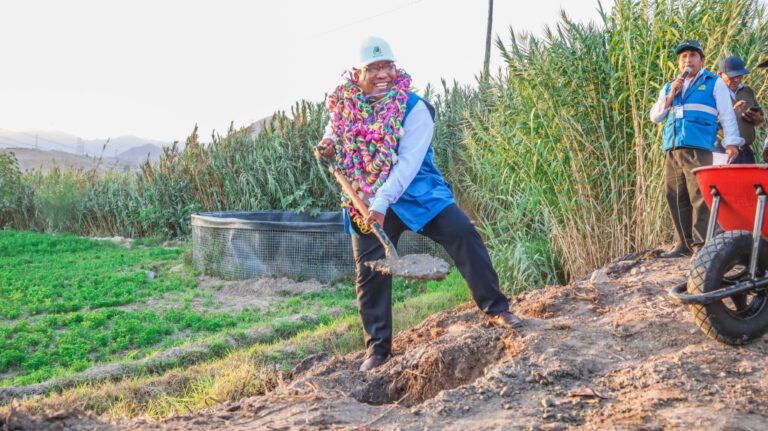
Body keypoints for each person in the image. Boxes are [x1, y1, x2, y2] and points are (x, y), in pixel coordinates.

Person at [316, 36, 523, 372]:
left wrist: (382, 203)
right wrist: (328, 142)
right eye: (374, 67)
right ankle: (378, 349)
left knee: (462, 233)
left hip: (416, 192)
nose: (383, 73)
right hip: (364, 197)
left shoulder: (415, 109)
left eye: (388, 66)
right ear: (357, 74)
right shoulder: (345, 105)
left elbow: (407, 164)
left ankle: (497, 309)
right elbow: (336, 128)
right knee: (370, 269)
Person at [649, 40, 744, 258]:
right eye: (683, 57)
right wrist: (671, 94)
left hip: (698, 147)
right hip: (672, 148)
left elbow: (727, 114)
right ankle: (684, 243)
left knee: (699, 195)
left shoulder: (713, 82)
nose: (687, 60)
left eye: (692, 55)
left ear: (702, 60)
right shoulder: (669, 86)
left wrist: (731, 143)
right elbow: (655, 117)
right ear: (679, 61)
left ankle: (702, 246)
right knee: (674, 195)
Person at [716, 55, 764, 164]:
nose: (737, 80)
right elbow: (708, 123)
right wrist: (731, 112)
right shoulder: (713, 93)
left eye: (740, 75)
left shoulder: (747, 91)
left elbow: (760, 120)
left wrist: (758, 119)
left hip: (745, 150)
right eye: (732, 76)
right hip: (722, 150)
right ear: (719, 74)